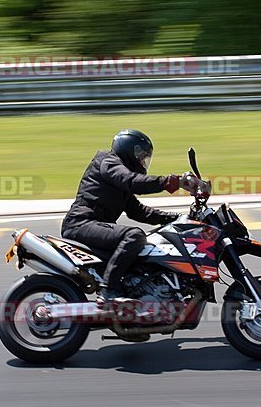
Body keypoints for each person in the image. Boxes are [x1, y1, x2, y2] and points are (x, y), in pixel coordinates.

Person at [61, 130, 184, 305]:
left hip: (92, 225)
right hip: (81, 223)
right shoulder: (108, 162)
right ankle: (109, 290)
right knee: (133, 235)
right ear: (129, 150)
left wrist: (175, 218)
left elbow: (139, 211)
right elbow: (131, 181)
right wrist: (167, 183)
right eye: (141, 155)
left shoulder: (118, 178)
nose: (143, 161)